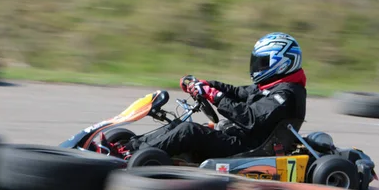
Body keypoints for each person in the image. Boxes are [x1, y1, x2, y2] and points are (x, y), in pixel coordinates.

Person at [106, 32, 307, 160]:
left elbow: (250, 118)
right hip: (237, 138)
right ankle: (127, 146)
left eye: (262, 63)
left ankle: (132, 156)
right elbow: (238, 92)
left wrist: (216, 96)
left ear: (284, 62)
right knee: (179, 124)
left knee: (189, 131)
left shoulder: (287, 94)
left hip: (250, 149)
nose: (257, 68)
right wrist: (206, 85)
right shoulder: (272, 86)